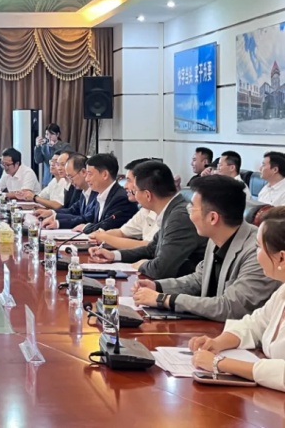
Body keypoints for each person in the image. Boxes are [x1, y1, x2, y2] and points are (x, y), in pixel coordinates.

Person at [131, 176, 278, 320]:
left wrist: (164, 299)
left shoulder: (259, 251)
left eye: (192, 208)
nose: (189, 214)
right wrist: (157, 286)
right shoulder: (216, 237)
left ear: (213, 218)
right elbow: (199, 279)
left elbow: (230, 307)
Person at [189, 207, 285, 391]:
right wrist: (217, 343)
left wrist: (219, 363)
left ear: (281, 258)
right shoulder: (282, 291)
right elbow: (254, 324)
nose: (255, 254)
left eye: (258, 247)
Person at [89, 161, 204, 279]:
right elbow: (151, 249)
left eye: (135, 190)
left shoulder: (179, 217)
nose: (133, 193)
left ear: (147, 195)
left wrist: (142, 265)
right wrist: (114, 255)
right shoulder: (172, 209)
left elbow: (161, 269)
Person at [42, 154, 136, 233]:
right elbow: (87, 218)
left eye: (90, 174)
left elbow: (106, 227)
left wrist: (85, 227)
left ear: (105, 175)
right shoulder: (101, 195)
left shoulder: (120, 198)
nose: (86, 179)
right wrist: (58, 222)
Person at [88, 158, 159, 250]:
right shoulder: (145, 210)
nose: (125, 186)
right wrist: (98, 235)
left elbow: (149, 246)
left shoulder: (163, 212)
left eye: (129, 180)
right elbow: (122, 232)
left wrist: (105, 238)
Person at [37, 154, 96, 228]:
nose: (70, 181)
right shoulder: (84, 192)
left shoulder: (96, 194)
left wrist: (58, 222)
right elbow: (72, 210)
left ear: (83, 172)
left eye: (71, 177)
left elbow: (86, 218)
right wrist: (51, 212)